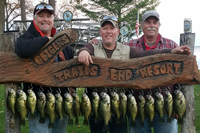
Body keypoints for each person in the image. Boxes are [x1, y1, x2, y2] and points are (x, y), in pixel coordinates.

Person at [78, 15, 190, 133]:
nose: (108, 32)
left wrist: (171, 51)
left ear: (117, 31)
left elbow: (149, 55)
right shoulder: (92, 47)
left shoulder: (127, 49)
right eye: (105, 28)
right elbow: (84, 50)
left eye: (112, 28)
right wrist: (83, 51)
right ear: (100, 31)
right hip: (98, 103)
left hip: (119, 103)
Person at [15, 2, 74, 133]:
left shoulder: (62, 40)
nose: (45, 19)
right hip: (37, 100)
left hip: (61, 100)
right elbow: (22, 48)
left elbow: (71, 65)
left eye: (49, 16)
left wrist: (72, 88)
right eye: (41, 16)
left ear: (53, 20)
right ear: (34, 19)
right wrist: (47, 40)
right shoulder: (28, 37)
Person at [124, 10, 179, 133]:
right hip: (138, 105)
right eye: (148, 22)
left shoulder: (171, 45)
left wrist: (176, 104)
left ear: (159, 25)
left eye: (155, 22)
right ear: (142, 25)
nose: (151, 25)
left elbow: (181, 77)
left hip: (165, 105)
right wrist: (92, 45)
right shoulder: (129, 45)